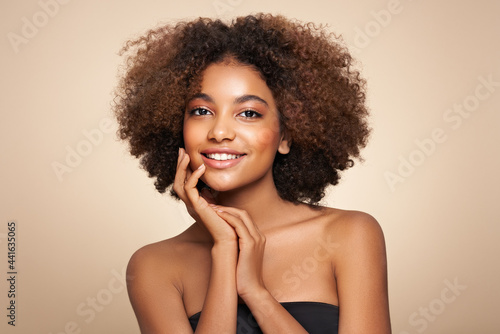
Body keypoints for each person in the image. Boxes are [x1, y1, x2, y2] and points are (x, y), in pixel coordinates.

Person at [114, 13, 391, 334]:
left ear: (287, 135)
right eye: (202, 111)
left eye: (248, 113)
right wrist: (225, 250)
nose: (219, 132)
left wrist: (255, 293)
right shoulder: (154, 267)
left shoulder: (348, 235)